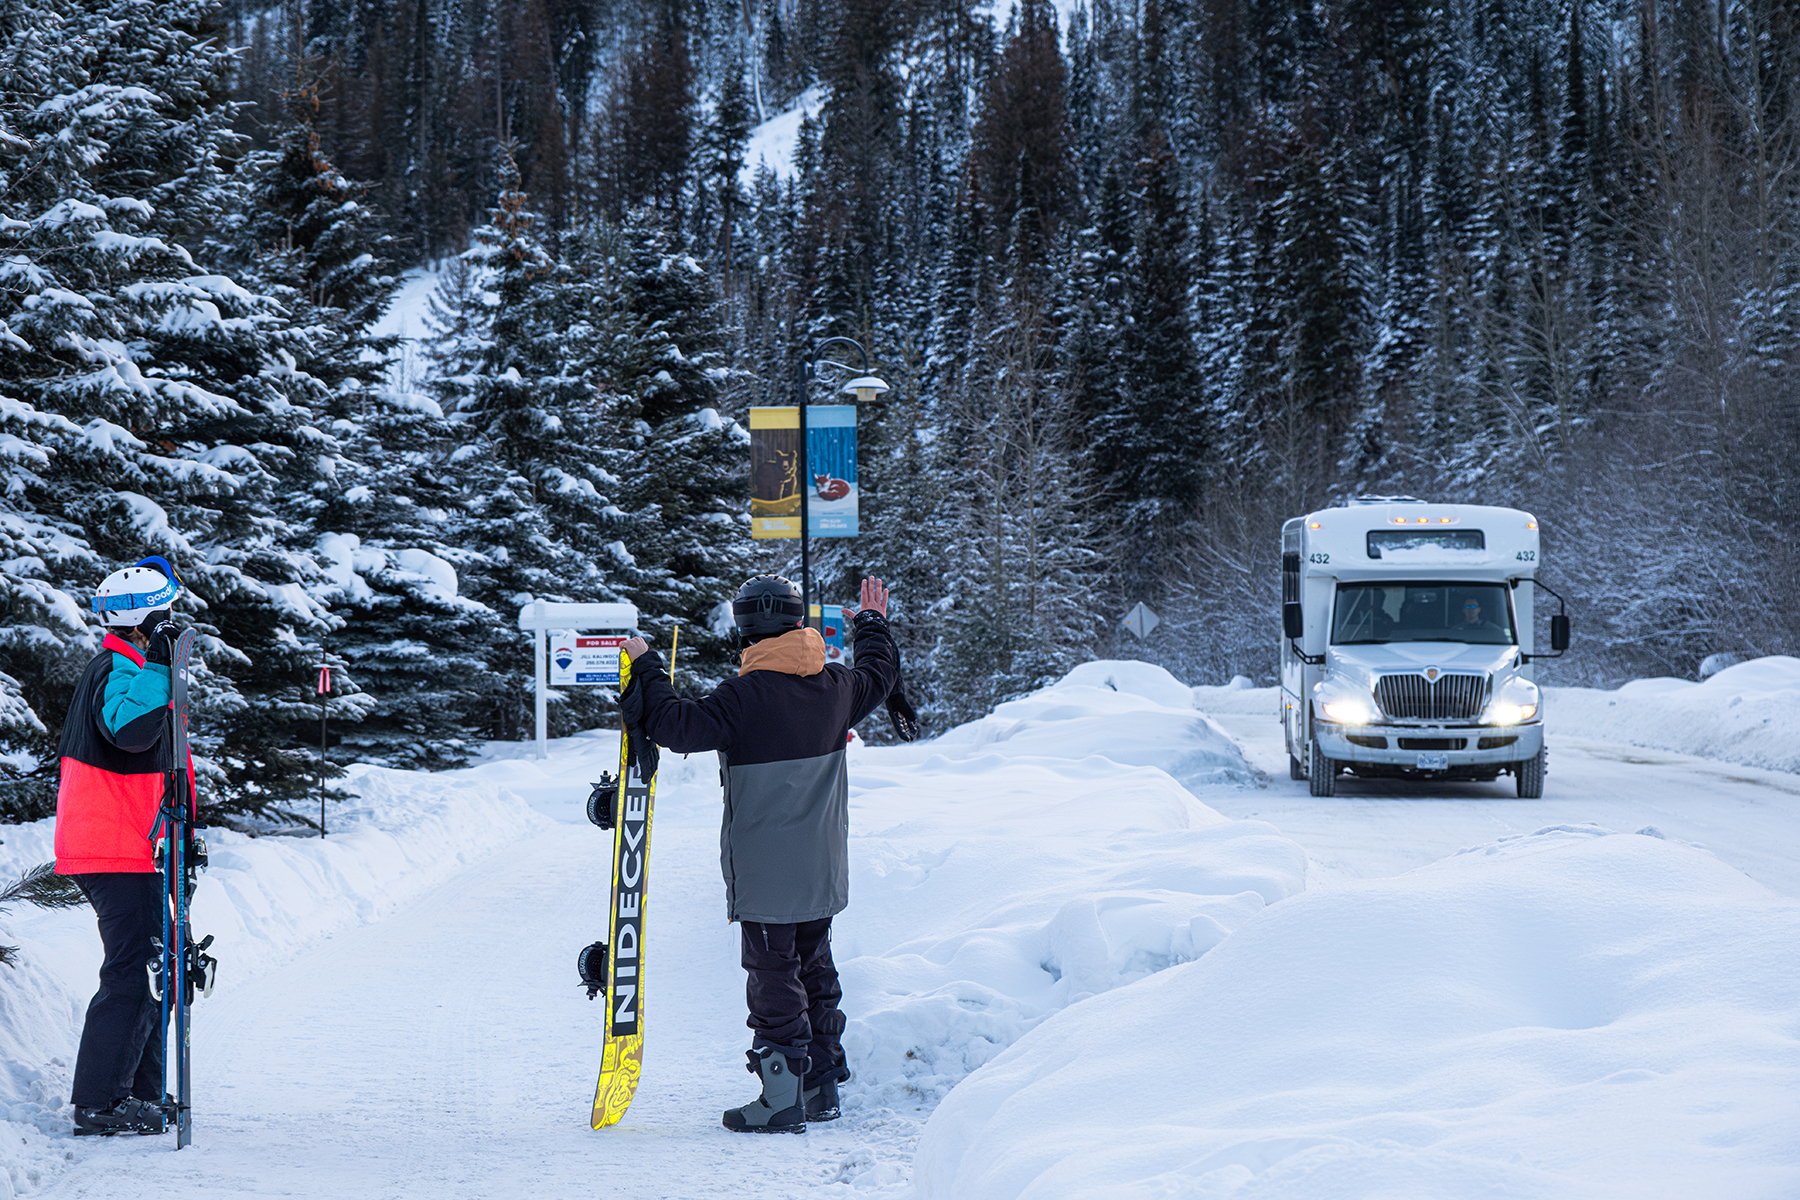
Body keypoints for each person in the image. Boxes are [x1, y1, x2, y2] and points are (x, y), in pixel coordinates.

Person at [619, 573, 898, 1134]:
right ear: (800, 623)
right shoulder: (837, 687)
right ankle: (819, 1089)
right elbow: (881, 675)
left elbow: (673, 724)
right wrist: (873, 624)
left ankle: (780, 1101)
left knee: (773, 976)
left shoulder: (741, 700)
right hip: (822, 871)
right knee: (815, 967)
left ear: (743, 632)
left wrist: (645, 664)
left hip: (768, 879)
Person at [53, 556, 186, 1137]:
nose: (172, 626)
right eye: (165, 617)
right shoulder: (117, 670)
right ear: (147, 622)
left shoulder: (128, 665)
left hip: (134, 843)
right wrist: (158, 665)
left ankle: (137, 1093)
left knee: (160, 970)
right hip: (112, 847)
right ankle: (100, 1103)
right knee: (135, 971)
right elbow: (132, 736)